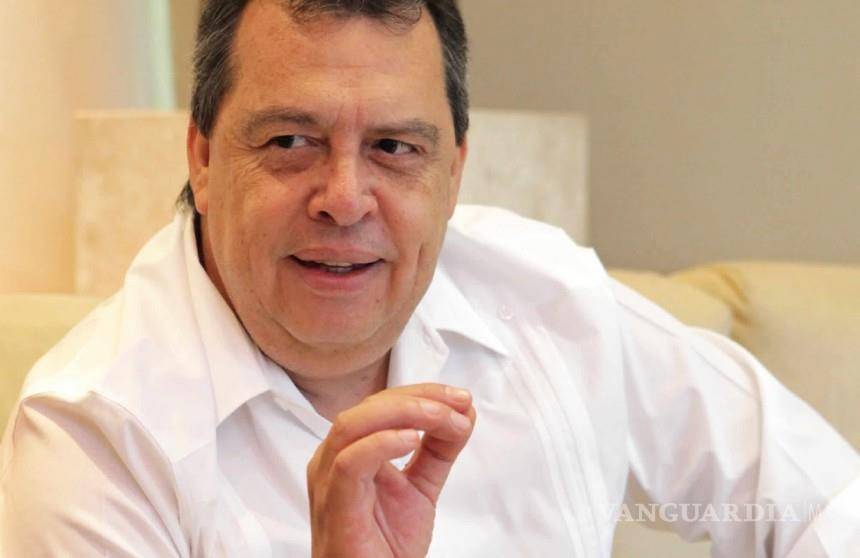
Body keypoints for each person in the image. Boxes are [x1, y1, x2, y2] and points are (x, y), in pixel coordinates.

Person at [1, 0, 858, 556]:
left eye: (394, 148)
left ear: (453, 173)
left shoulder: (544, 298)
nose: (344, 198)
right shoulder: (94, 434)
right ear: (202, 156)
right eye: (290, 141)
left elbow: (818, 497)